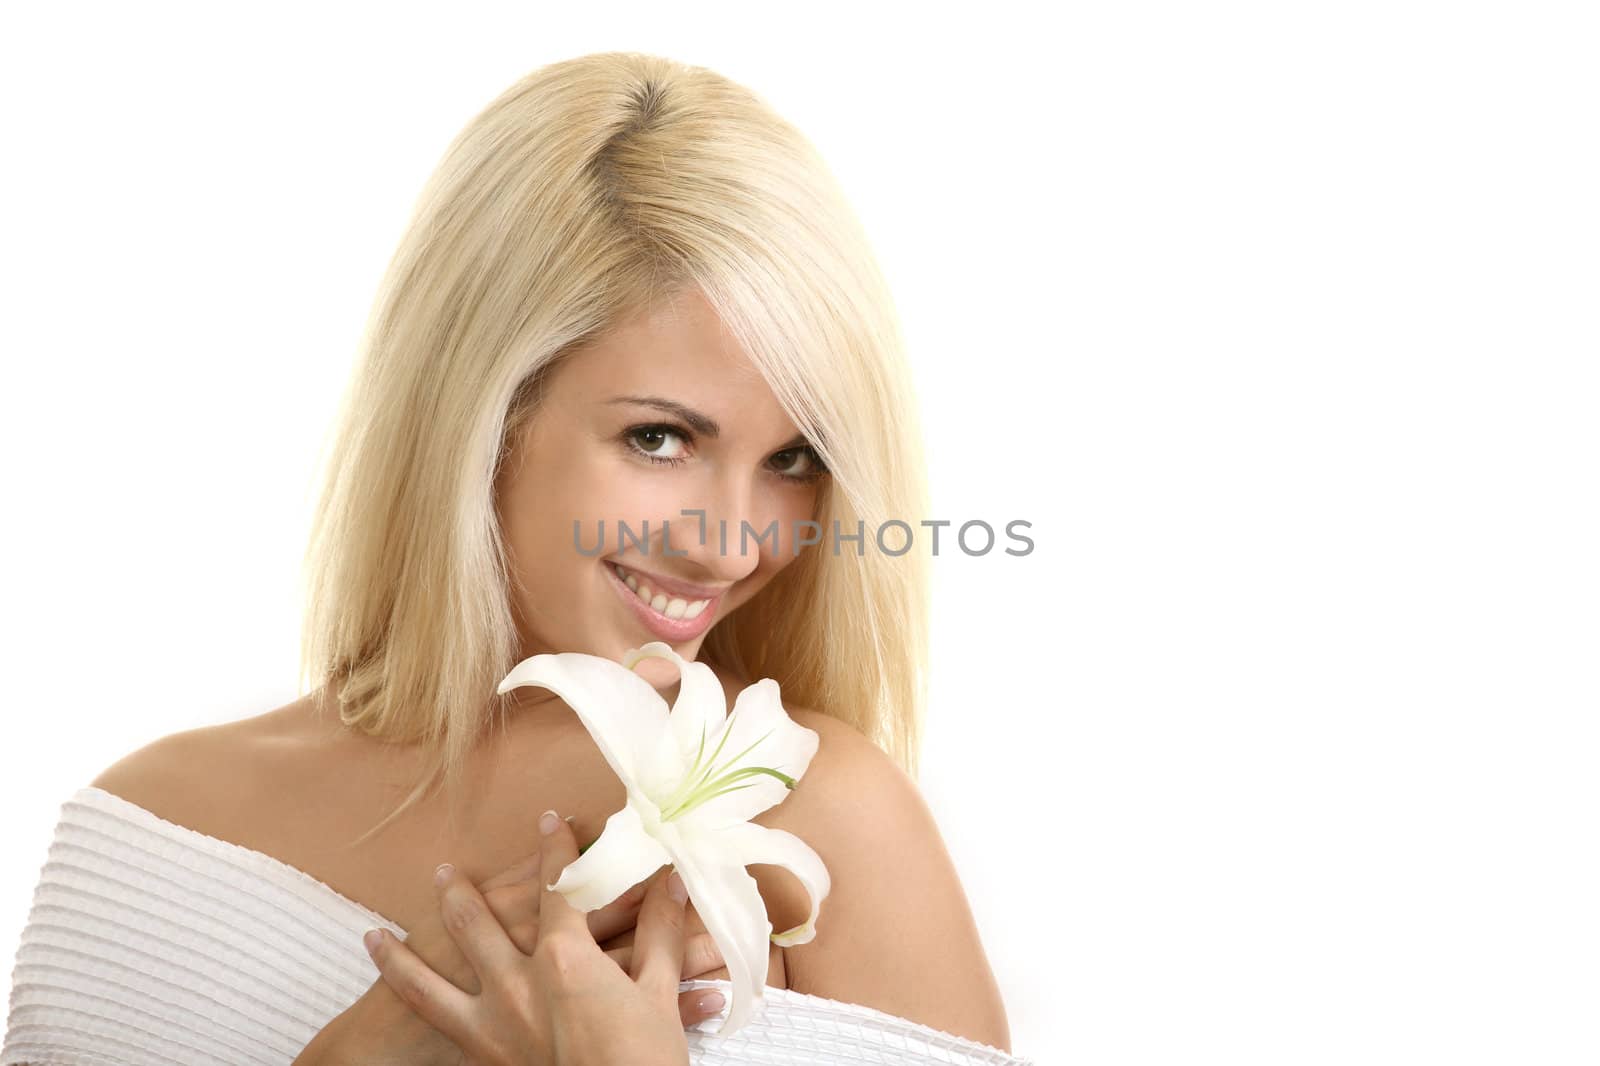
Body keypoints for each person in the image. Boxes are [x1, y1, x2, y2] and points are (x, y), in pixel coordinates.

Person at [0, 51, 1029, 1065]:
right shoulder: (152, 826)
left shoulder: (824, 823)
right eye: (659, 438)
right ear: (481, 415)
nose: (733, 543)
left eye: (794, 459)